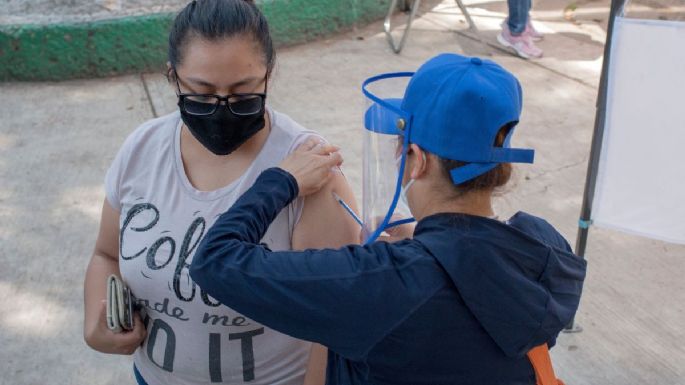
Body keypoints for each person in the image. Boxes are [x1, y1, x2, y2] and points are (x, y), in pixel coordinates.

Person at [189, 53, 587, 384]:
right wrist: (424, 240)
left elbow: (215, 261)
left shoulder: (381, 283)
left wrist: (282, 180)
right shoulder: (543, 244)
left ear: (418, 160)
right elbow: (476, 268)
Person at [82, 1, 359, 384]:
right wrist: (96, 322)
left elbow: (333, 320)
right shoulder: (142, 148)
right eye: (202, 92)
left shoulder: (311, 168)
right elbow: (106, 253)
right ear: (172, 77)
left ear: (268, 76)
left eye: (243, 92)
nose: (221, 109)